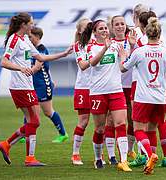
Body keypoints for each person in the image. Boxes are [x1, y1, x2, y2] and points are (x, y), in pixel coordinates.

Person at [0, 12, 72, 166]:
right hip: (20, 87)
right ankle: (29, 158)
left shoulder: (25, 39)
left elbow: (41, 58)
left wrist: (63, 54)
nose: (33, 25)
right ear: (23, 25)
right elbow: (4, 62)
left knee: (34, 121)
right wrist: (21, 68)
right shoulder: (14, 39)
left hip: (27, 86)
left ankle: (7, 144)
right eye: (31, 22)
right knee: (35, 120)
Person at [120, 17, 166, 175]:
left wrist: (122, 55)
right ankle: (149, 162)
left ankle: (150, 154)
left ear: (145, 33)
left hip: (142, 97)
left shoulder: (139, 52)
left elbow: (123, 68)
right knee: (152, 129)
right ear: (159, 33)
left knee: (139, 130)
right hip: (159, 97)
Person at [84, 19, 131, 171]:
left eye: (106, 28)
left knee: (120, 124)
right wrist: (104, 49)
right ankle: (98, 158)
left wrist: (125, 55)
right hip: (98, 93)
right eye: (101, 28)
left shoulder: (117, 45)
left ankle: (123, 160)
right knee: (99, 129)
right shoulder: (91, 46)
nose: (105, 30)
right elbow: (92, 63)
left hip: (116, 91)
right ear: (95, 32)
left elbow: (123, 67)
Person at [103, 15, 137, 164]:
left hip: (132, 85)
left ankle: (129, 151)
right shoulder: (109, 44)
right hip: (115, 86)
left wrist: (133, 46)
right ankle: (112, 156)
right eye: (116, 24)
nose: (120, 26)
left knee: (132, 119)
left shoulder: (133, 41)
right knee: (111, 120)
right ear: (112, 27)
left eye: (122, 23)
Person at [28, 27, 68, 143]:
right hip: (35, 84)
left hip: (43, 85)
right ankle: (26, 133)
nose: (29, 39)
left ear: (37, 36)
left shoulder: (41, 49)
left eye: (30, 37)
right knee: (30, 108)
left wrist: (23, 71)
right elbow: (47, 67)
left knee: (48, 111)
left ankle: (63, 134)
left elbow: (39, 66)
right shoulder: (34, 49)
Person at [70, 18, 93, 165]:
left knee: (101, 124)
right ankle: (75, 153)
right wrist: (97, 57)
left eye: (91, 25)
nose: (90, 28)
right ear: (79, 30)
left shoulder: (99, 44)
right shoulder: (78, 46)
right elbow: (83, 65)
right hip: (83, 88)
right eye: (87, 27)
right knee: (83, 122)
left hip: (99, 87)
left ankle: (100, 154)